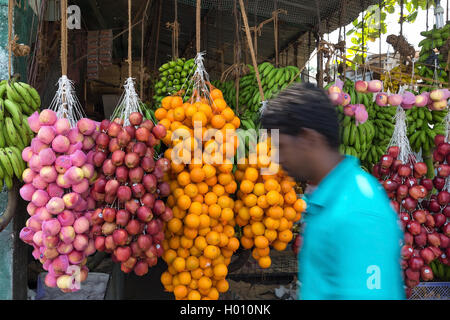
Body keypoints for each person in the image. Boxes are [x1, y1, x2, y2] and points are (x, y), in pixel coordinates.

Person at [260, 82, 405, 300]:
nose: (277, 158)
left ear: (309, 139)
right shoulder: (323, 199)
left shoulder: (358, 211)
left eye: (282, 147)